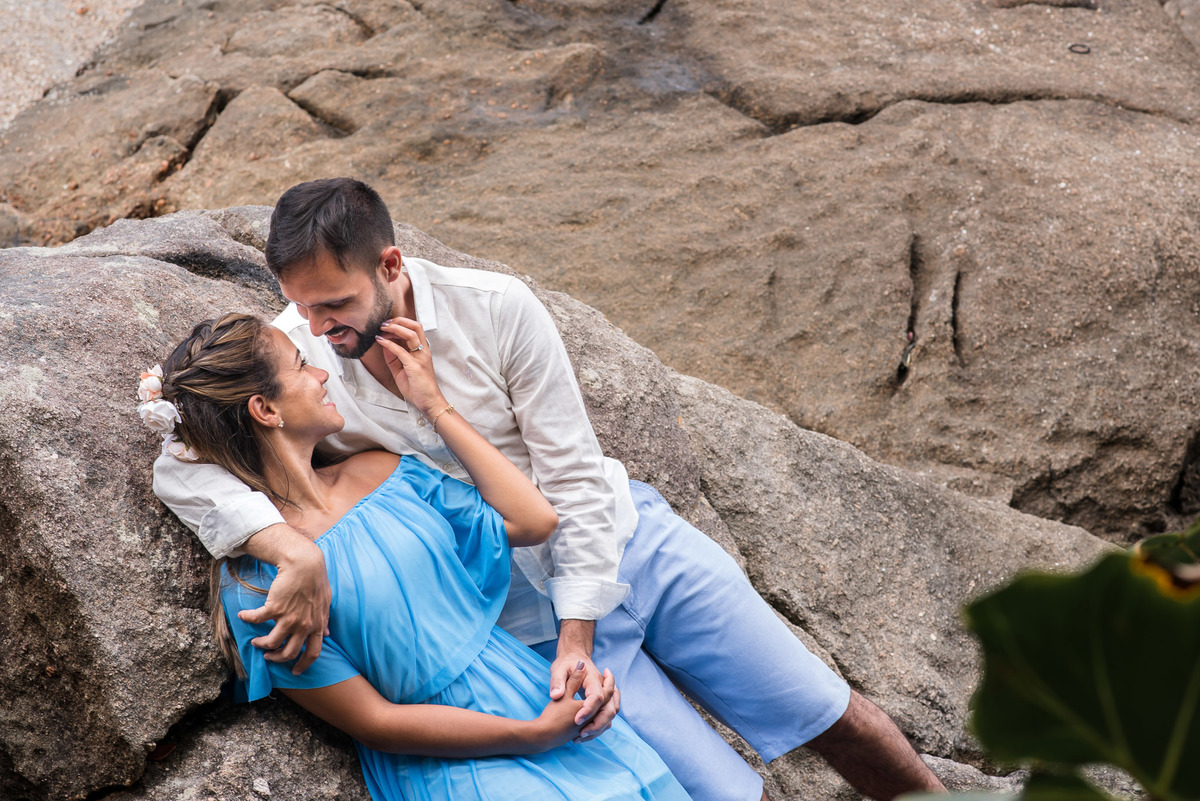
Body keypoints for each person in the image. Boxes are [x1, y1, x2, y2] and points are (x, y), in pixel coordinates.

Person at [154, 178, 946, 801]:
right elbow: (184, 455)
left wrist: (581, 632)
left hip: (633, 548)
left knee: (830, 712)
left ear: (389, 266)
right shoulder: (298, 359)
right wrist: (289, 549)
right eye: (302, 308)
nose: (318, 330)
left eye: (335, 304)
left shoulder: (498, 310)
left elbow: (566, 480)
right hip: (523, 628)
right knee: (719, 793)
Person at [140, 312, 693, 799]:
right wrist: (532, 735)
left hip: (535, 689)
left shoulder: (380, 470)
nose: (322, 373)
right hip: (451, 759)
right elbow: (375, 721)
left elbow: (533, 520)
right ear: (264, 409)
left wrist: (434, 405)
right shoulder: (260, 584)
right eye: (301, 365)